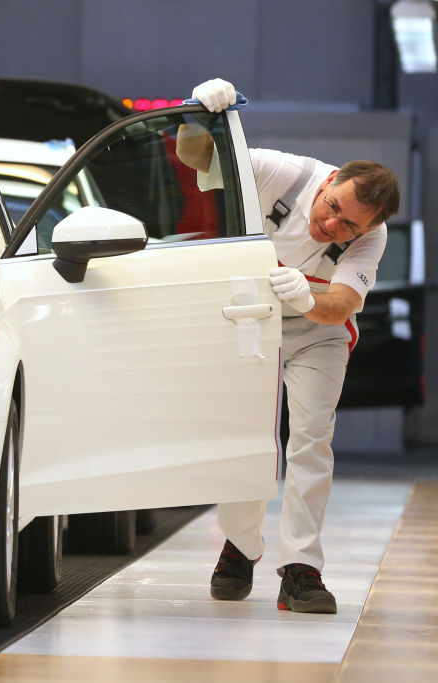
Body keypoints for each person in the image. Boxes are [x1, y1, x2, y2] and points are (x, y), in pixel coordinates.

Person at [176, 78, 401, 614]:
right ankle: (240, 546)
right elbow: (195, 156)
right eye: (332, 207)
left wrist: (304, 297)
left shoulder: (372, 237)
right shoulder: (283, 171)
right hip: (255, 319)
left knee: (311, 441)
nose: (331, 224)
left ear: (368, 227)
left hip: (318, 334)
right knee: (248, 435)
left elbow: (340, 305)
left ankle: (302, 568)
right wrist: (196, 111)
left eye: (347, 226)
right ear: (330, 180)